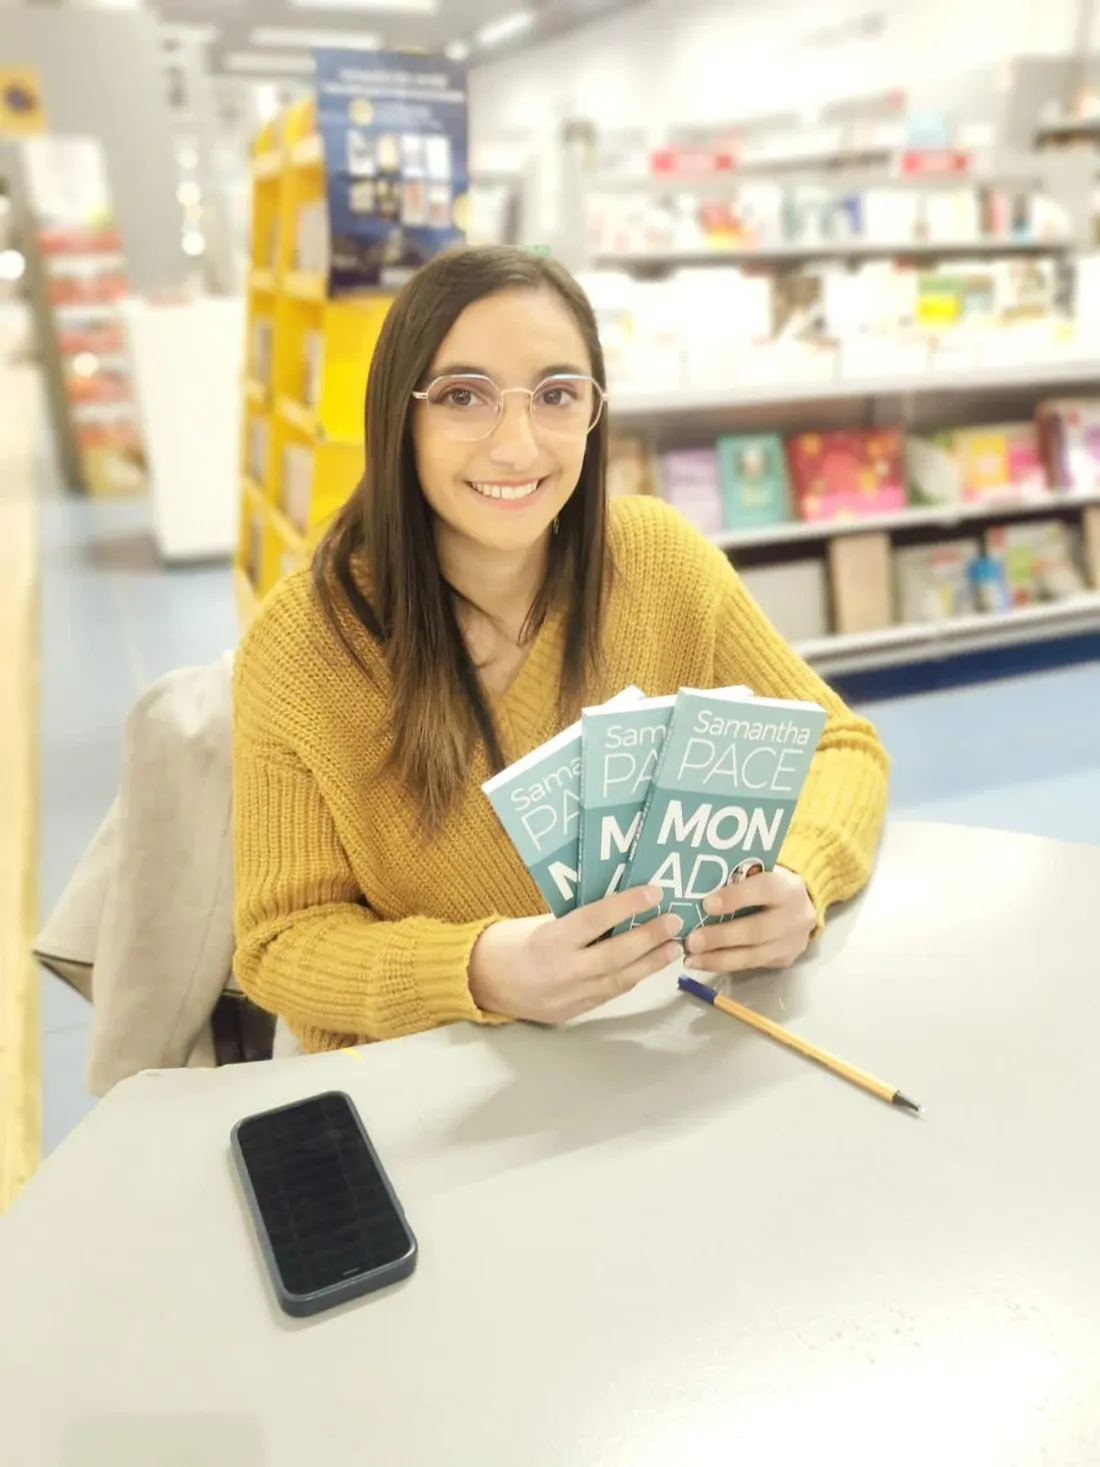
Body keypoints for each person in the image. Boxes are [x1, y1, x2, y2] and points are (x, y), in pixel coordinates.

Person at [232, 245, 889, 1055]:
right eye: (463, 396)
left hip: (667, 1049)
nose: (517, 447)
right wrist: (478, 970)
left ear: (594, 411)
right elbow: (281, 942)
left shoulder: (659, 560)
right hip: (434, 1086)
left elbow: (842, 748)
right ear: (399, 415)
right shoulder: (302, 643)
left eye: (556, 395)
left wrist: (801, 877)